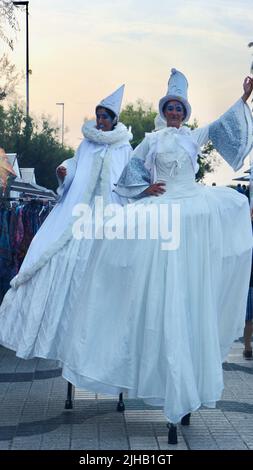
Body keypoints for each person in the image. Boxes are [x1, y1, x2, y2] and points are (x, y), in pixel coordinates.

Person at [0, 69, 252, 435]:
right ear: (164, 110)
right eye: (170, 108)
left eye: (180, 108)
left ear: (185, 111)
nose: (175, 113)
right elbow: (129, 177)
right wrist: (143, 191)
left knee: (186, 290)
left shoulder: (193, 138)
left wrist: (244, 98)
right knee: (138, 280)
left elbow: (218, 127)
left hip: (190, 213)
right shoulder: (149, 141)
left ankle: (183, 382)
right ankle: (135, 354)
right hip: (159, 215)